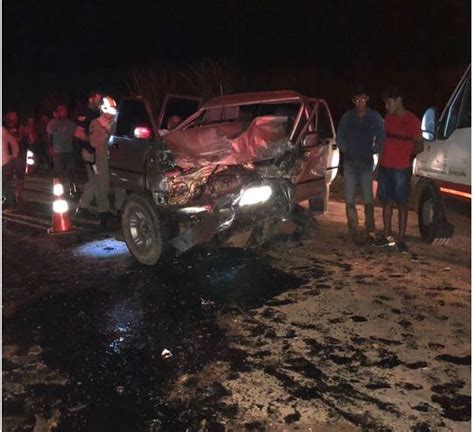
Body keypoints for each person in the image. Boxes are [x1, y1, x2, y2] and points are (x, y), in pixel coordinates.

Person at [374, 87, 423, 253]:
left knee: (402, 204)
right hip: (386, 167)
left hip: (401, 168)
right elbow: (383, 144)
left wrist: (407, 157)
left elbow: (420, 145)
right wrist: (378, 166)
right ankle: (387, 236)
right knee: (386, 202)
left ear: (399, 100)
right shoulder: (388, 118)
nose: (386, 107)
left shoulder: (412, 120)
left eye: (389, 103)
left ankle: (401, 239)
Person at [336, 86, 385, 244]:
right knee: (349, 198)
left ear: (367, 98)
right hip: (350, 161)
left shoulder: (374, 116)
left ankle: (370, 229)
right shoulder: (348, 117)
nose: (360, 102)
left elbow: (381, 135)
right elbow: (340, 136)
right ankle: (353, 229)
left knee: (368, 198)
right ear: (353, 101)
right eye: (357, 100)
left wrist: (375, 149)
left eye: (363, 99)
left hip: (366, 161)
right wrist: (346, 149)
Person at [77, 96, 121, 229]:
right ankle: (104, 215)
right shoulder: (95, 123)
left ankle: (119, 210)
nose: (109, 114)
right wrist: (107, 132)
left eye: (112, 111)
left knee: (120, 185)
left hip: (114, 160)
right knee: (101, 186)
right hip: (98, 159)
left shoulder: (115, 122)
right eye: (107, 110)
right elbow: (93, 142)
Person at [46, 105, 86, 196]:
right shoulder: (53, 123)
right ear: (58, 112)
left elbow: (76, 134)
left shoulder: (70, 123)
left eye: (65, 111)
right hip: (57, 151)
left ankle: (73, 188)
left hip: (69, 150)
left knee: (71, 170)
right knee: (58, 171)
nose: (63, 113)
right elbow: (49, 136)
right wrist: (50, 147)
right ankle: (57, 190)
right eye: (61, 111)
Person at [74, 90, 102, 172]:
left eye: (100, 100)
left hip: (98, 151)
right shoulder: (84, 113)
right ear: (91, 100)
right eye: (98, 100)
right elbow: (78, 133)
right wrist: (92, 140)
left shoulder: (99, 113)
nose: (99, 102)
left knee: (99, 174)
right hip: (88, 150)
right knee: (94, 173)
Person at [4, 112, 27, 203]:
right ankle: (8, 196)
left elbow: (19, 138)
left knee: (20, 175)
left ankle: (19, 195)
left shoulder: (20, 126)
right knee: (6, 176)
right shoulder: (3, 125)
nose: (14, 116)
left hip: (19, 154)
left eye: (15, 115)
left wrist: (8, 135)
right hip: (7, 154)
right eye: (11, 115)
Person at [2, 126, 20, 210]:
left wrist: (14, 154)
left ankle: (11, 203)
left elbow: (12, 141)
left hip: (3, 163)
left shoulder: (1, 130)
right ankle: (9, 201)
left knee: (5, 184)